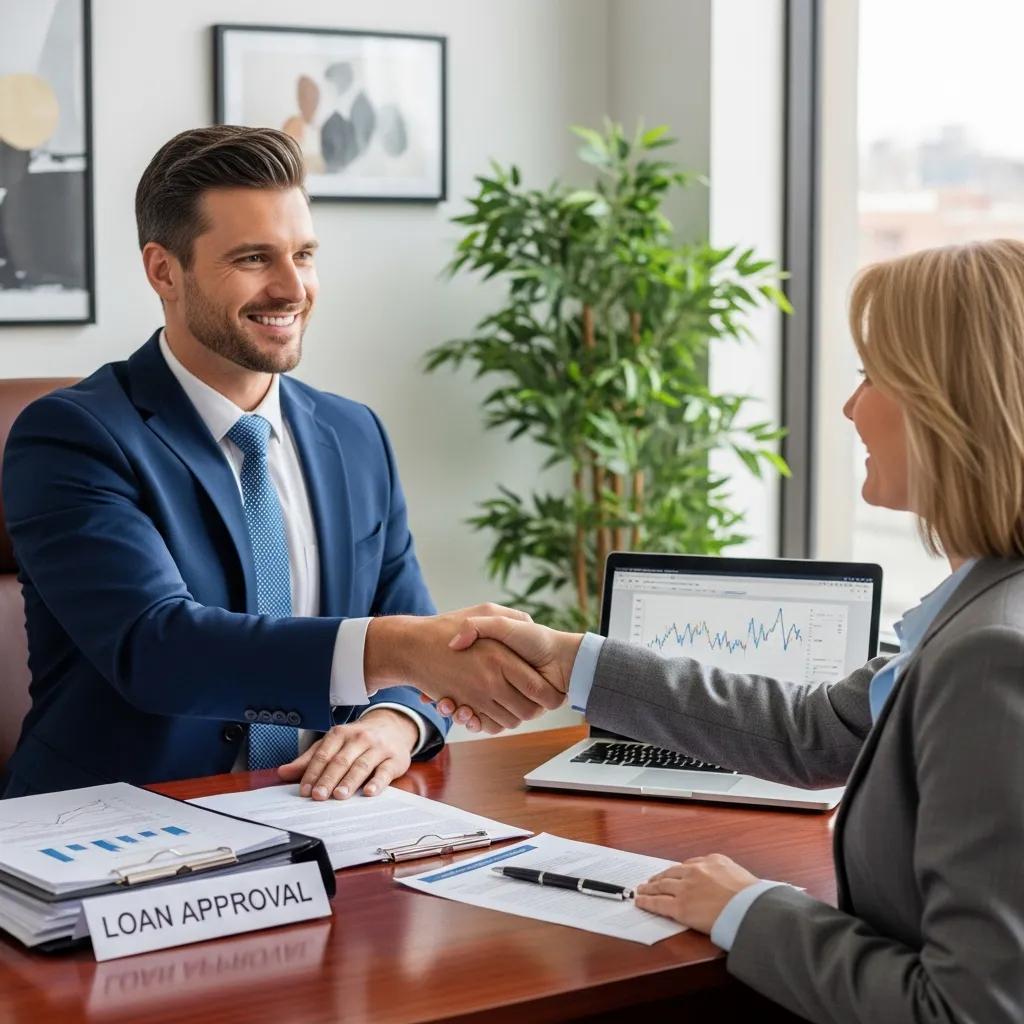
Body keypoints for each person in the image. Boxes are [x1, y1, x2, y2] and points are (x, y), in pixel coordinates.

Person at [438, 239, 1024, 1022]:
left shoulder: (991, 656)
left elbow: (965, 1011)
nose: (852, 408)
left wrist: (750, 909)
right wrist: (570, 658)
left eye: (871, 377)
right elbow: (813, 730)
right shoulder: (978, 609)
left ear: (948, 403)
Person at [1, 125, 560, 801]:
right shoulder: (73, 436)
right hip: (118, 833)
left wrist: (393, 721)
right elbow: (159, 650)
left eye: (304, 254)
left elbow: (417, 633)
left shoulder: (354, 435)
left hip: (326, 822)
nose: (292, 287)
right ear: (162, 270)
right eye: (253, 259)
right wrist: (400, 649)